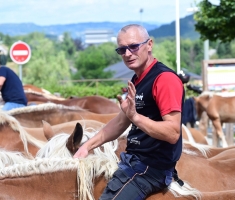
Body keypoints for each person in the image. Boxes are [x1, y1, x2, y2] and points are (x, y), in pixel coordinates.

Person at [74, 24, 184, 200]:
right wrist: (86, 146)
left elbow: (172, 133)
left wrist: (135, 117)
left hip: (150, 169)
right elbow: (119, 123)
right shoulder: (137, 79)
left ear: (149, 44)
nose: (127, 53)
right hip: (133, 161)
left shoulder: (164, 80)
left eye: (133, 46)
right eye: (122, 49)